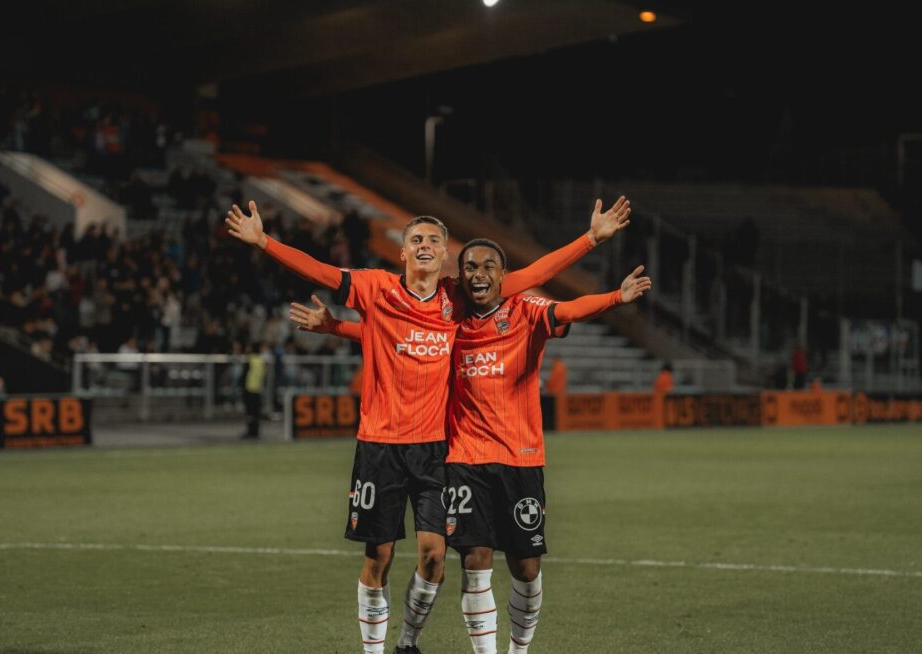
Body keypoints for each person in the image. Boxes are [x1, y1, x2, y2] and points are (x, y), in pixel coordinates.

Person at [229, 196, 631, 654]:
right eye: (416, 238)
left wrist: (589, 240)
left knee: (434, 556)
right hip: (378, 445)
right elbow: (322, 273)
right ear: (401, 252)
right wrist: (265, 243)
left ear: (444, 256)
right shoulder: (376, 288)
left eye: (434, 240)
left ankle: (407, 642)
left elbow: (529, 277)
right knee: (378, 556)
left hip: (435, 451)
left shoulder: (455, 298)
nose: (425, 244)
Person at [243, 342, 269, 439]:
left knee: (250, 413)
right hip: (258, 389)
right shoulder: (261, 360)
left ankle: (250, 431)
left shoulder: (250, 359)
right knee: (256, 412)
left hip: (249, 388)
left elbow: (244, 375)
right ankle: (256, 432)